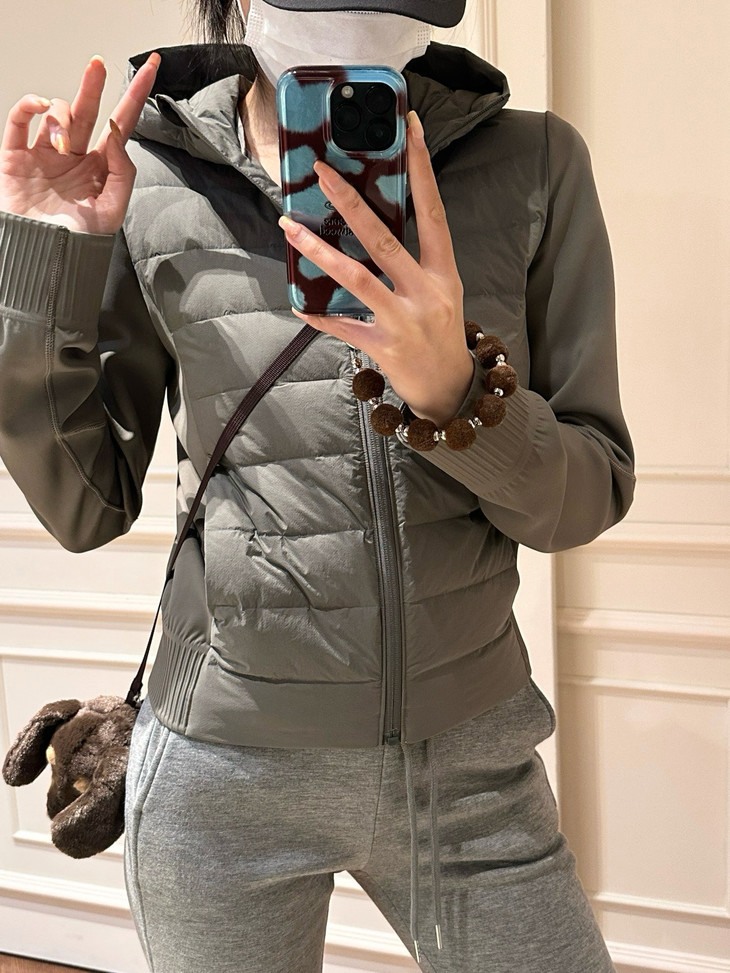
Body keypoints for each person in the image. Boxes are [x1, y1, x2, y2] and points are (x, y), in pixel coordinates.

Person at [0, 0, 635, 970]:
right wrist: (40, 271)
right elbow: (87, 506)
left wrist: (457, 392)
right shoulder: (156, 176)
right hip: (219, 773)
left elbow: (585, 495)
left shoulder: (534, 161)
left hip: (466, 768)